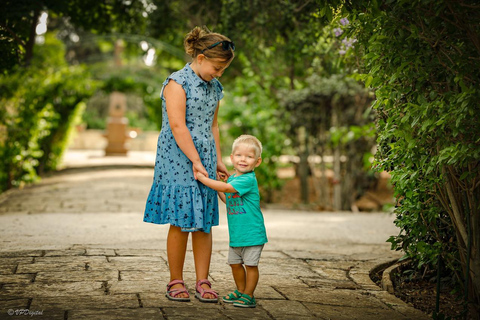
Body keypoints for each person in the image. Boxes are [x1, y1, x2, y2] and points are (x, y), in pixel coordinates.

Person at [143, 26, 235, 303]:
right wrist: (195, 160)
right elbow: (177, 125)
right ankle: (175, 281)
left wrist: (217, 159)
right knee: (182, 221)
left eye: (223, 70)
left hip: (204, 156)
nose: (219, 74)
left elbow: (213, 125)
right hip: (178, 158)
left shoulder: (214, 86)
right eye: (217, 67)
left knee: (204, 221)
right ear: (201, 57)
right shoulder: (176, 83)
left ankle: (203, 281)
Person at [196, 134, 268, 308]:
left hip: (252, 233)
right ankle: (241, 290)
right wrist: (217, 185)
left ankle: (249, 295)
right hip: (237, 233)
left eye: (249, 157)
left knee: (250, 265)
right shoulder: (235, 179)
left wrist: (206, 180)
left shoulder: (248, 179)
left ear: (257, 162)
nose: (243, 159)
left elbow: (227, 188)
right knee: (235, 264)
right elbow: (227, 196)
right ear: (232, 158)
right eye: (239, 155)